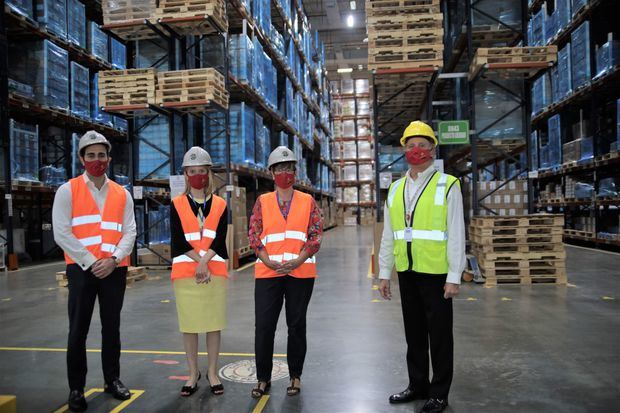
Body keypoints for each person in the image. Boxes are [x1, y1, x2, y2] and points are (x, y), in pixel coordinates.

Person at [378, 121, 466, 413]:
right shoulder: (395, 188)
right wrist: (383, 273)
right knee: (413, 333)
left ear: (432, 149)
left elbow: (456, 233)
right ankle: (417, 385)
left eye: (422, 144)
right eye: (410, 145)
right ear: (404, 149)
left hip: (437, 273)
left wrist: (454, 275)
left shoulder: (448, 185)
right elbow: (389, 234)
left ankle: (439, 392)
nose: (416, 150)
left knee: (439, 335)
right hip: (407, 271)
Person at [52, 131, 137, 412]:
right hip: (81, 269)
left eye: (102, 155)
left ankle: (112, 380)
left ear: (109, 158)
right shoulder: (68, 190)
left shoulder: (121, 193)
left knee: (111, 328)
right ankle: (76, 387)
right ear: (81, 159)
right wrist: (91, 261)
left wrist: (112, 259)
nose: (97, 160)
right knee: (78, 329)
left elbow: (130, 231)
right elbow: (62, 233)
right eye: (91, 155)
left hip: (114, 269)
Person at [248, 146, 323, 398]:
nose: (284, 173)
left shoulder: (307, 201)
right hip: (268, 273)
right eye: (279, 169)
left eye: (288, 168)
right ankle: (262, 378)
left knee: (296, 325)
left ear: (295, 172)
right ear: (271, 173)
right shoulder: (263, 202)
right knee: (264, 327)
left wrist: (299, 260)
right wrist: (268, 261)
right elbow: (254, 235)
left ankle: (295, 376)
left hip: (300, 274)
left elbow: (315, 236)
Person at [170, 146, 228, 397]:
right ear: (185, 175)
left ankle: (212, 372)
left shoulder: (221, 204)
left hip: (213, 271)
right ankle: (193, 374)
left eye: (202, 171)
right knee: (191, 326)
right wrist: (199, 262)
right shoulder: (177, 204)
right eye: (192, 171)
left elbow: (220, 240)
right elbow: (178, 242)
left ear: (209, 174)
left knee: (213, 325)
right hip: (186, 275)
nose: (197, 176)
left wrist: (204, 262)